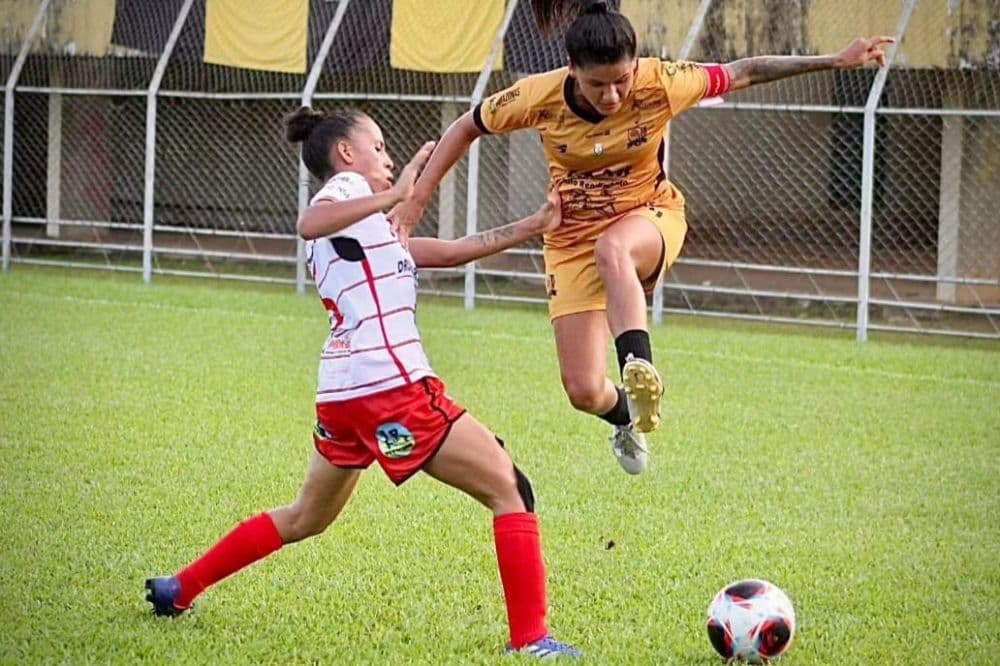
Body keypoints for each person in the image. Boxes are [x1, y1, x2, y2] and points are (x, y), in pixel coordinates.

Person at [144, 106, 581, 659]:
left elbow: (442, 253)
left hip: (344, 395)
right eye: (378, 146)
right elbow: (310, 221)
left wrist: (531, 226)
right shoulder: (346, 191)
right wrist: (393, 194)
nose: (388, 156)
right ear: (346, 154)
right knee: (510, 488)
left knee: (307, 517)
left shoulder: (370, 226)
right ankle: (533, 641)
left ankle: (180, 589)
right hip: (390, 386)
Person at [388, 0, 894, 476]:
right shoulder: (538, 97)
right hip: (569, 241)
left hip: (649, 216)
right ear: (571, 69)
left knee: (615, 248)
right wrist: (413, 205)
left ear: (636, 66)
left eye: (621, 81)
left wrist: (834, 60)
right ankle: (626, 414)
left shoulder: (661, 82)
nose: (612, 96)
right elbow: (464, 127)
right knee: (583, 389)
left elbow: (745, 70)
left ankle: (639, 366)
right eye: (597, 84)